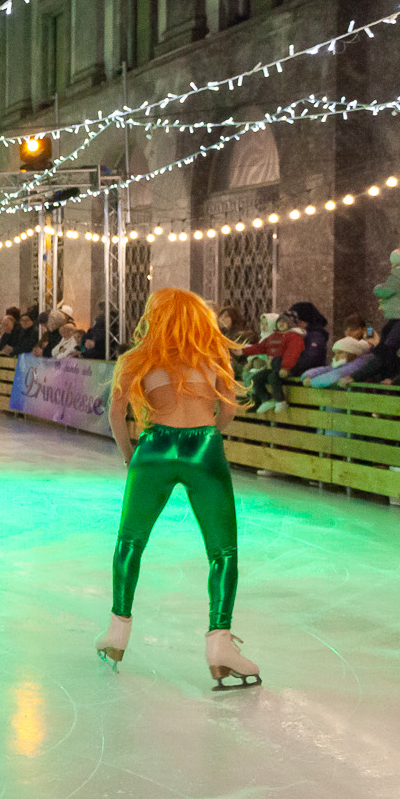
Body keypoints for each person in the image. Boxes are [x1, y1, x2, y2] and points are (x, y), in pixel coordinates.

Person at [101, 288, 260, 690]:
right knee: (222, 550)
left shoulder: (139, 359)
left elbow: (117, 413)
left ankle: (118, 632)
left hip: (153, 449)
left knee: (131, 541)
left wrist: (129, 456)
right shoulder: (213, 357)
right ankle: (220, 643)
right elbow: (228, 409)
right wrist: (207, 441)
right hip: (203, 447)